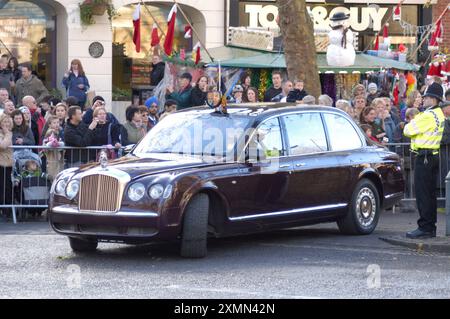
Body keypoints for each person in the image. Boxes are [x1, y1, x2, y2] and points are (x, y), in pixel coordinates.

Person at [403, 82, 450, 239]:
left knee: (423, 194)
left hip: (424, 157)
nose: (423, 99)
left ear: (433, 99)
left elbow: (408, 130)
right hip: (432, 156)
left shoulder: (427, 115)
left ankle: (425, 227)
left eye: (426, 97)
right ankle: (429, 227)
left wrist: (412, 124)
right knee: (429, 194)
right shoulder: (438, 114)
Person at [42, 116, 65, 181]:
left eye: (58, 122)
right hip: (51, 159)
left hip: (59, 158)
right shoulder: (49, 132)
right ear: (49, 124)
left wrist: (60, 144)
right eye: (54, 123)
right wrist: (51, 144)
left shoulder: (61, 131)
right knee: (53, 177)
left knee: (59, 176)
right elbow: (45, 145)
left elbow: (63, 143)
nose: (57, 124)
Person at [0, 113, 13, 218]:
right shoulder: (4, 134)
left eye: (8, 121)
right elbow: (3, 146)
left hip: (8, 163)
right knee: (2, 187)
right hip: (1, 163)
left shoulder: (9, 133)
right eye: (4, 122)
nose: (7, 124)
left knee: (7, 187)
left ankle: (7, 210)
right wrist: (8, 134)